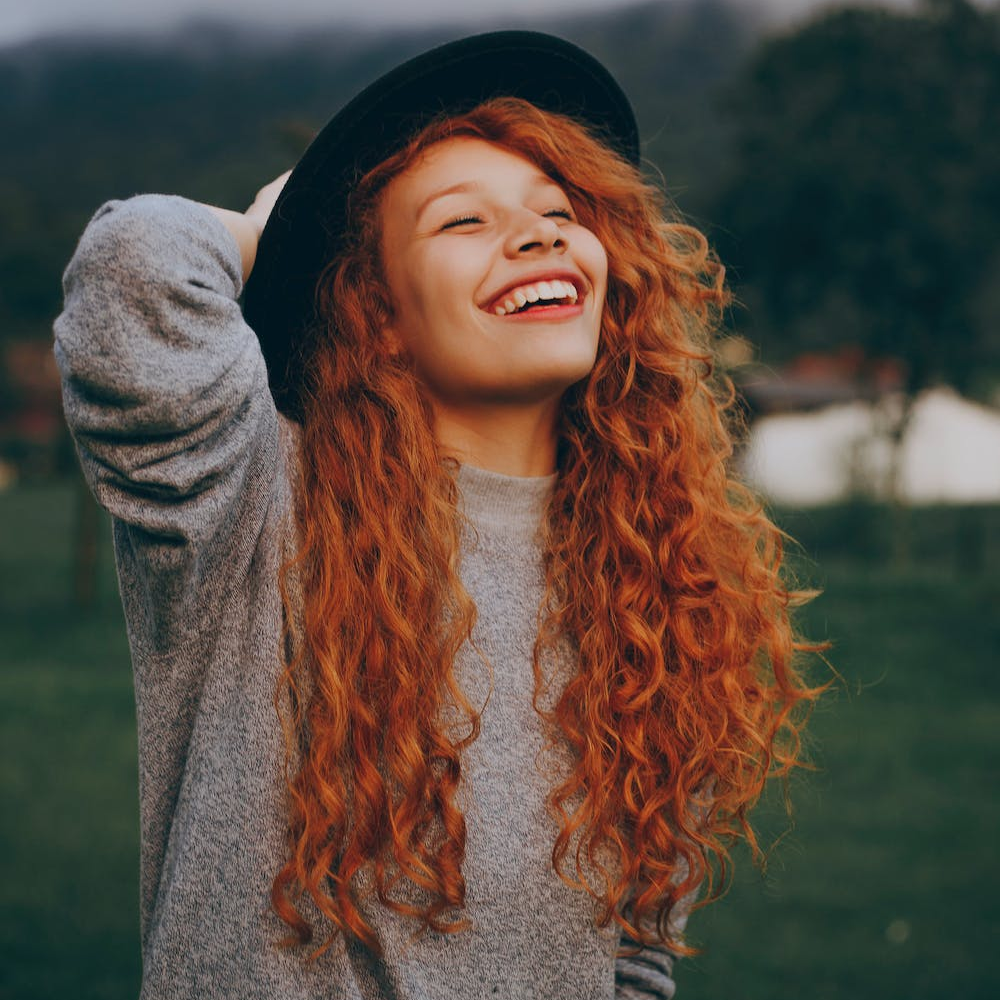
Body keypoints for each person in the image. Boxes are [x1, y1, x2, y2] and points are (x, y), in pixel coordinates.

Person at [54, 31, 821, 1000]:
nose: (539, 234)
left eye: (558, 212)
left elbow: (634, 945)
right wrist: (267, 226)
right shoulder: (255, 509)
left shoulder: (654, 587)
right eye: (463, 223)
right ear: (376, 309)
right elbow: (130, 273)